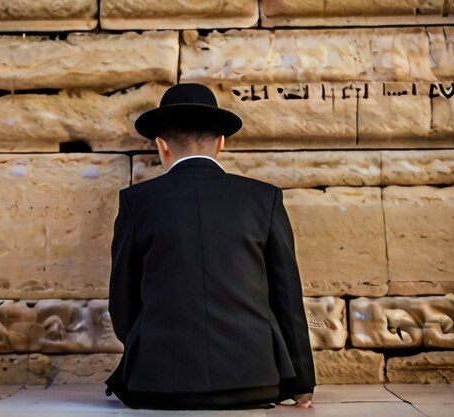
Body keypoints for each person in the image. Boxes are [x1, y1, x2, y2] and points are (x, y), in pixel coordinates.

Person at [105, 83, 315, 410]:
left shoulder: (136, 202)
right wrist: (301, 381)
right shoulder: (264, 199)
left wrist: (149, 351)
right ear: (221, 143)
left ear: (162, 147)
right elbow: (286, 296)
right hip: (254, 382)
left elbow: (122, 302)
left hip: (157, 385)